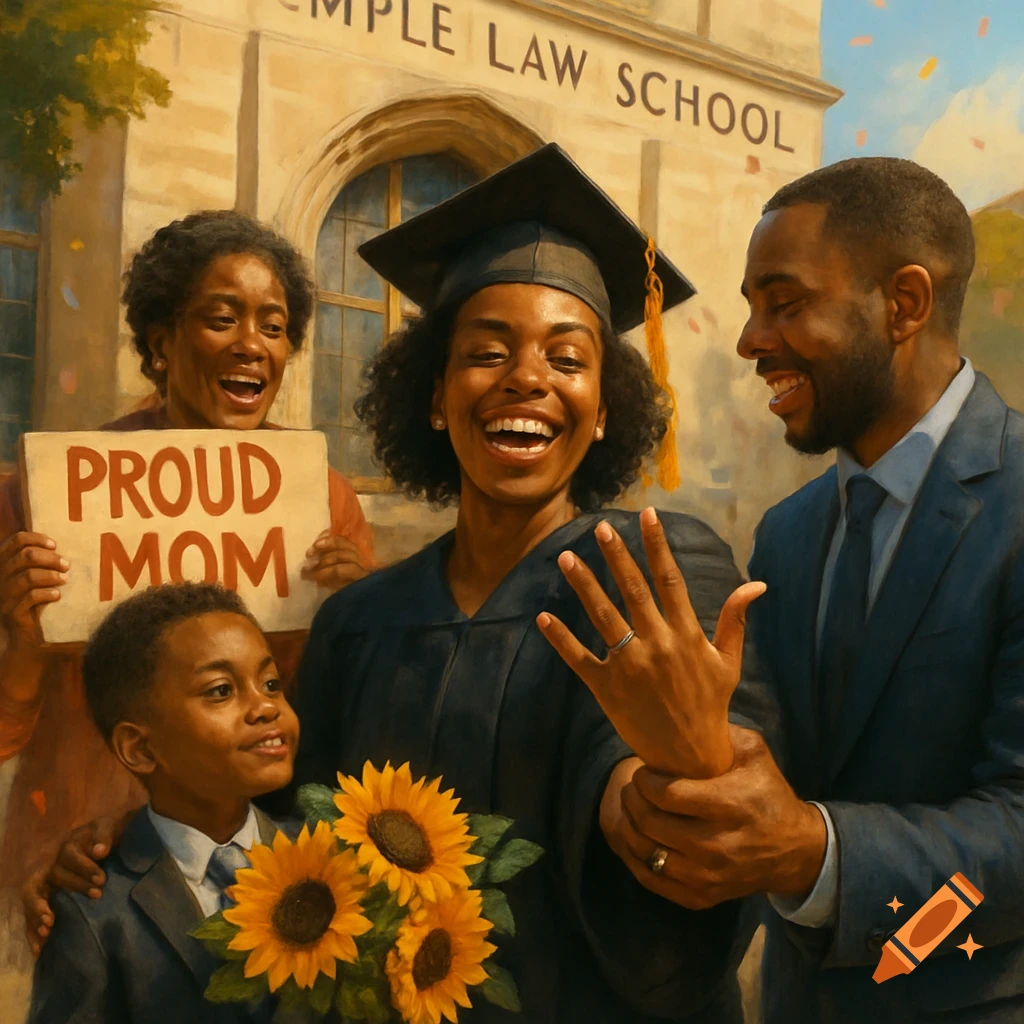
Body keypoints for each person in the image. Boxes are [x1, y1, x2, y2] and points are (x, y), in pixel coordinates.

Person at [35, 144, 777, 1022]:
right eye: (488, 351)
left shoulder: (654, 568)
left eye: (568, 359)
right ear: (434, 396)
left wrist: (678, 771)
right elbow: (280, 823)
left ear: (607, 406)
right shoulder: (360, 619)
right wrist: (127, 843)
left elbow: (676, 820)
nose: (528, 378)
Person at [586, 158, 1024, 1023]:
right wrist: (658, 768)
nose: (750, 339)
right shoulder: (786, 536)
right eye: (751, 307)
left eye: (784, 304)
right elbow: (762, 771)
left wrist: (811, 854)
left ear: (904, 303)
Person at [1, 210, 373, 962]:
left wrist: (361, 614)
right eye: (221, 318)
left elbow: (327, 728)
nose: (251, 345)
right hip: (78, 877)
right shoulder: (49, 496)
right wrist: (25, 646)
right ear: (161, 342)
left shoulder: (323, 505)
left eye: (273, 326)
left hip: (253, 882)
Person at [29, 581, 299, 1023]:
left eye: (271, 683)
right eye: (220, 691)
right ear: (140, 749)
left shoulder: (330, 858)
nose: (265, 707)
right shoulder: (93, 908)